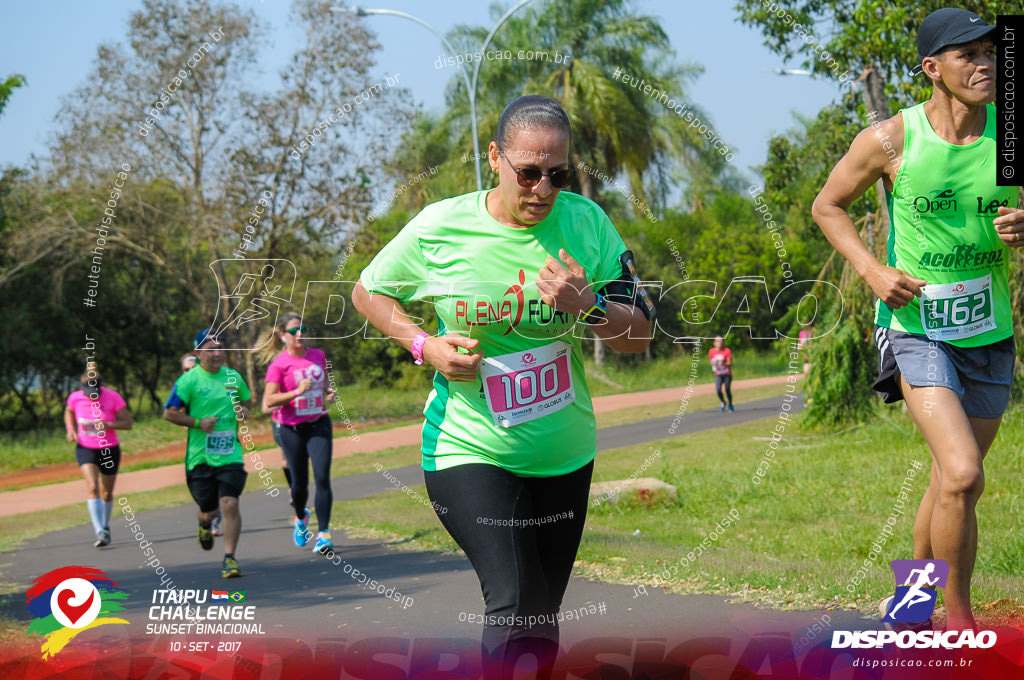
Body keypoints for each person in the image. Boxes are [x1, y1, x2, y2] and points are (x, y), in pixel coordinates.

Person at [352, 95, 654, 668]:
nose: (542, 188)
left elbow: (638, 335)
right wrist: (426, 345)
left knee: (540, 616)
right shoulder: (442, 226)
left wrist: (587, 306)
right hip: (469, 448)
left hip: (565, 453)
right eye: (529, 172)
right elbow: (367, 292)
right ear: (494, 157)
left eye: (556, 174)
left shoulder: (588, 223)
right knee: (515, 602)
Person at [812, 8, 1021, 630]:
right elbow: (828, 206)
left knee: (948, 484)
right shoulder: (890, 140)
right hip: (917, 327)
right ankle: (957, 623)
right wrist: (874, 271)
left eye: (991, 53)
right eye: (969, 56)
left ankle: (909, 602)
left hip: (990, 329)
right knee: (962, 471)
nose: (986, 65)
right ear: (932, 69)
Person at [163, 329, 251, 579]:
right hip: (200, 457)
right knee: (209, 511)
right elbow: (170, 413)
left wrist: (243, 411)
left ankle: (230, 558)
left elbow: (246, 403)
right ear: (198, 353)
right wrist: (197, 423)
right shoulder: (189, 381)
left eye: (220, 348)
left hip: (230, 454)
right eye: (211, 349)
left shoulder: (233, 377)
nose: (217, 353)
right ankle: (204, 523)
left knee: (230, 503)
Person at [257, 313, 336, 553]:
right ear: (283, 337)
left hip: (319, 423)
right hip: (292, 428)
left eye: (303, 329)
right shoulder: (279, 365)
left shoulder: (318, 356)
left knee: (322, 477)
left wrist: (329, 393)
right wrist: (296, 392)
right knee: (299, 484)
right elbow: (268, 401)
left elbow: (324, 385)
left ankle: (323, 534)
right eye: (293, 331)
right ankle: (300, 517)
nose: (299, 334)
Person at [64, 364, 133, 547]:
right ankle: (99, 530)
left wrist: (109, 425)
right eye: (88, 391)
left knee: (106, 492)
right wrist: (70, 429)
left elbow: (128, 423)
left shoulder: (113, 397)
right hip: (85, 447)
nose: (91, 395)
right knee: (92, 486)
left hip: (109, 448)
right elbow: (69, 411)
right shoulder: (75, 398)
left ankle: (105, 525)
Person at [708, 335, 733, 412]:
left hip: (727, 373)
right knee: (718, 390)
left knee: (727, 389)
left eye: (721, 341)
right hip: (718, 374)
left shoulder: (727, 350)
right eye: (717, 341)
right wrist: (713, 363)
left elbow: (730, 363)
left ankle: (730, 404)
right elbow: (711, 361)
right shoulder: (711, 351)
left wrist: (723, 363)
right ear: (714, 343)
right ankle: (722, 401)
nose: (720, 343)